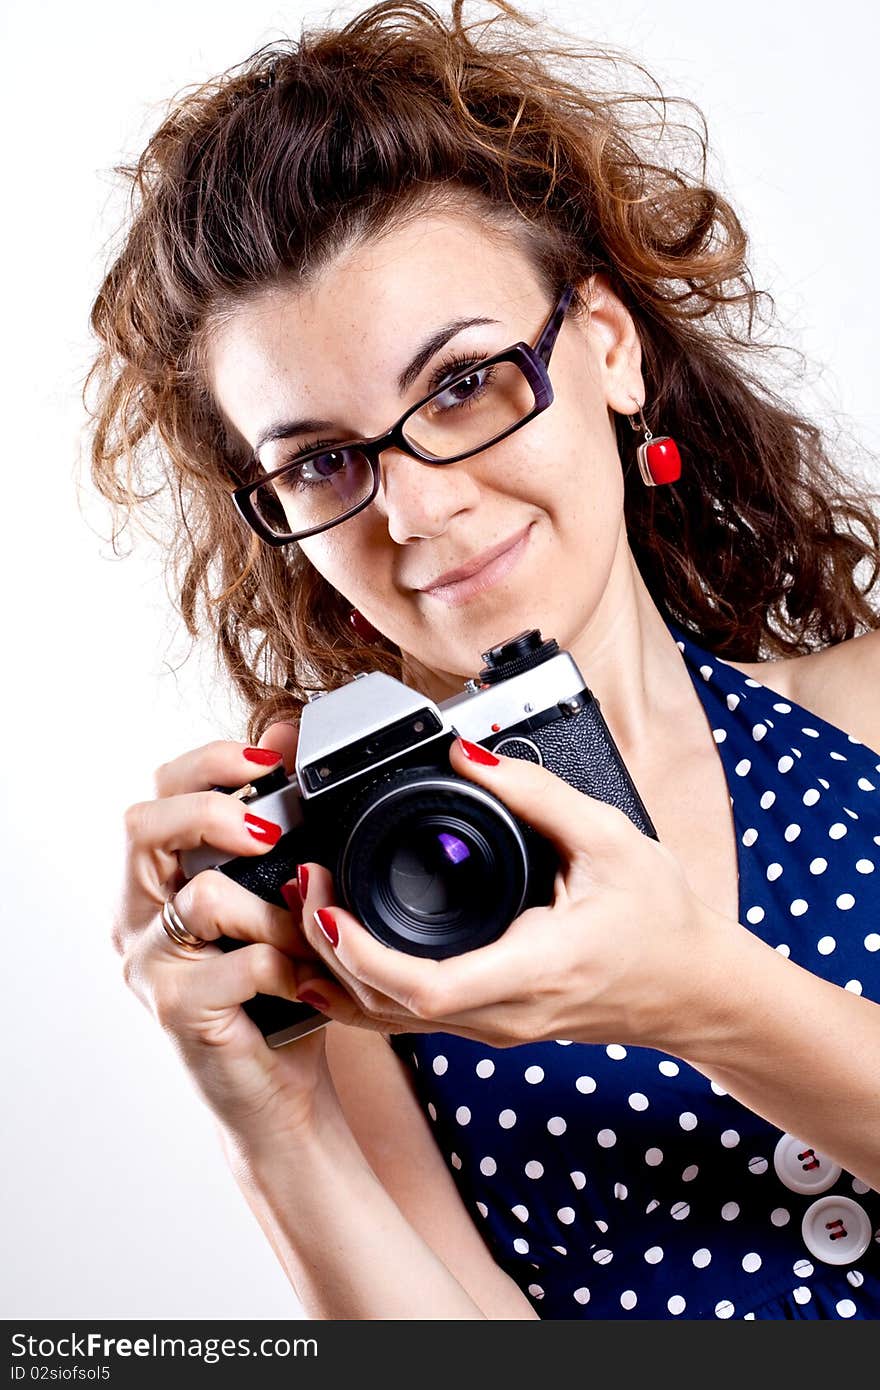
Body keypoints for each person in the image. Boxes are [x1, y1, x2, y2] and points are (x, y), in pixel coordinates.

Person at [84, 0, 880, 1320]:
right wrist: (266, 1113)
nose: (416, 508)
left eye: (462, 383)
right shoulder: (354, 912)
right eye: (324, 461)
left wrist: (698, 995)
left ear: (611, 349)